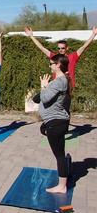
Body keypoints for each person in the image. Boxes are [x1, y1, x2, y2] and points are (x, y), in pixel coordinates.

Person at [38, 53, 72, 194]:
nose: (50, 65)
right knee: (60, 153)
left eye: (51, 63)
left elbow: (45, 98)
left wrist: (43, 86)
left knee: (59, 156)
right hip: (56, 122)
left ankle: (62, 186)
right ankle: (65, 167)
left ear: (58, 65)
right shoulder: (60, 80)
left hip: (56, 123)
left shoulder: (59, 81)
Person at [25, 26, 97, 89]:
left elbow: (83, 47)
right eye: (59, 48)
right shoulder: (54, 57)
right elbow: (42, 48)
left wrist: (93, 34)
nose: (60, 50)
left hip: (68, 87)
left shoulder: (72, 57)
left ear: (67, 48)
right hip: (56, 86)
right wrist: (31, 36)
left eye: (62, 48)